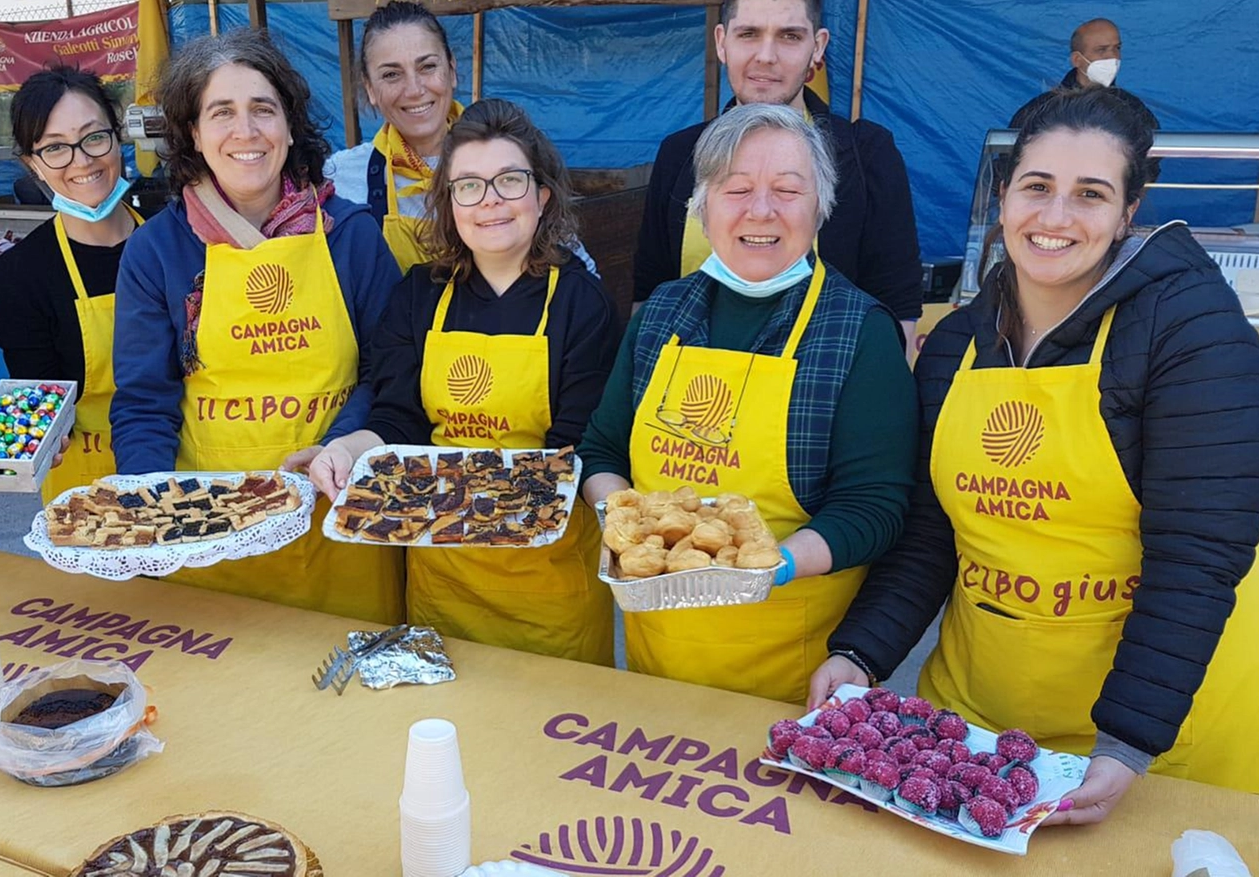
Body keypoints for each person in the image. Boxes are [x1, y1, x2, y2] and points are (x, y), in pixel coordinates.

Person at [812, 89, 1259, 818]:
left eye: (1091, 195)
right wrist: (861, 654)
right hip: (988, 704)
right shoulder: (954, 347)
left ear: (1129, 213)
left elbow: (1196, 556)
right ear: (1004, 196)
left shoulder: (1191, 332)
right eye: (1037, 187)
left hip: (1162, 719)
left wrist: (1129, 740)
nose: (1056, 217)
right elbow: (931, 534)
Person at [580, 103, 916, 702]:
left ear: (820, 208)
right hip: (658, 652)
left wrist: (770, 565)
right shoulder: (661, 312)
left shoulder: (859, 330)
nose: (761, 211)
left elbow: (876, 505)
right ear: (701, 207)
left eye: (788, 190)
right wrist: (623, 524)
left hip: (791, 666)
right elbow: (603, 448)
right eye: (737, 189)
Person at [308, 99, 619, 665]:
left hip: (547, 586)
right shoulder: (418, 294)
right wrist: (348, 449)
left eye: (510, 180)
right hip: (443, 582)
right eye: (469, 186)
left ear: (542, 195)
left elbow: (578, 446)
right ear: (449, 204)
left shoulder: (580, 301)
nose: (491, 201)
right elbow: (397, 419)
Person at [110, 30, 405, 623]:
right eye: (222, 113)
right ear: (192, 132)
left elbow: (387, 372)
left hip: (336, 512)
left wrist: (341, 444)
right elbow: (145, 399)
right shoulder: (156, 251)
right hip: (212, 527)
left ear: (290, 126)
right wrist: (153, 509)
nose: (245, 132)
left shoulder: (351, 235)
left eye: (262, 109)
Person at [631, 0, 922, 349]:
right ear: (722, 42)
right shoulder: (680, 153)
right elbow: (649, 296)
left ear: (818, 46)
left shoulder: (868, 155)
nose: (766, 56)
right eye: (749, 34)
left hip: (820, 388)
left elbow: (897, 307)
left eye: (789, 36)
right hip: (691, 391)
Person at [325, 1, 597, 277]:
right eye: (391, 74)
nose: (415, 89)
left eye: (428, 67)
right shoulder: (341, 179)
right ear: (370, 88)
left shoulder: (510, 157)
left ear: (452, 69)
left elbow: (582, 270)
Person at [0, 66, 143, 503]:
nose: (81, 160)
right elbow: (38, 397)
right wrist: (23, 439)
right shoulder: (21, 275)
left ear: (118, 137)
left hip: (183, 462)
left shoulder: (172, 243)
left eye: (94, 137)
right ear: (31, 163)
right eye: (55, 148)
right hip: (84, 485)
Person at [1009, 18, 1156, 132]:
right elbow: (1009, 156)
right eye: (1102, 50)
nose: (1113, 57)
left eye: (1117, 48)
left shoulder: (1132, 109)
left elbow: (1150, 159)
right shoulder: (1043, 109)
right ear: (1077, 60)